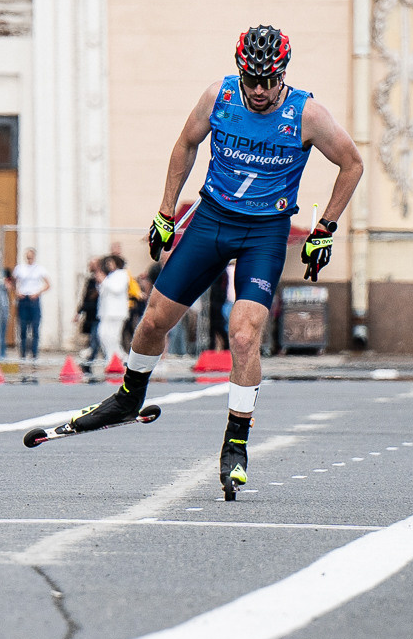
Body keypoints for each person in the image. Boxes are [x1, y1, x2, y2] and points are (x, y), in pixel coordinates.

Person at [61, 25, 365, 498]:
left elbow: (351, 163)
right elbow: (185, 145)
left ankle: (236, 444)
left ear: (282, 74)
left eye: (269, 80)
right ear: (240, 72)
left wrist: (324, 227)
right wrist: (165, 211)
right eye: (252, 80)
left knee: (244, 334)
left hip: (265, 232)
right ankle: (128, 399)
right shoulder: (219, 96)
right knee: (153, 321)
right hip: (211, 220)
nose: (260, 90)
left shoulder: (306, 113)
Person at [12, 247, 50, 360]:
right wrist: (16, 292)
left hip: (34, 299)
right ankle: (23, 353)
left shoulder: (39, 269)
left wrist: (38, 293)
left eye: (31, 257)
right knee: (23, 327)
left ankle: (34, 353)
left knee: (35, 327)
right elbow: (13, 282)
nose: (29, 259)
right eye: (27, 257)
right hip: (23, 299)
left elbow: (48, 284)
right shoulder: (19, 268)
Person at [96, 254, 132, 367]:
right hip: (106, 311)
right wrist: (102, 282)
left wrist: (104, 281)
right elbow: (103, 291)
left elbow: (117, 289)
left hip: (116, 312)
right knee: (102, 334)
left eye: (111, 262)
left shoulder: (122, 274)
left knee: (113, 336)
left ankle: (116, 358)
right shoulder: (111, 276)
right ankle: (114, 356)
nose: (109, 265)